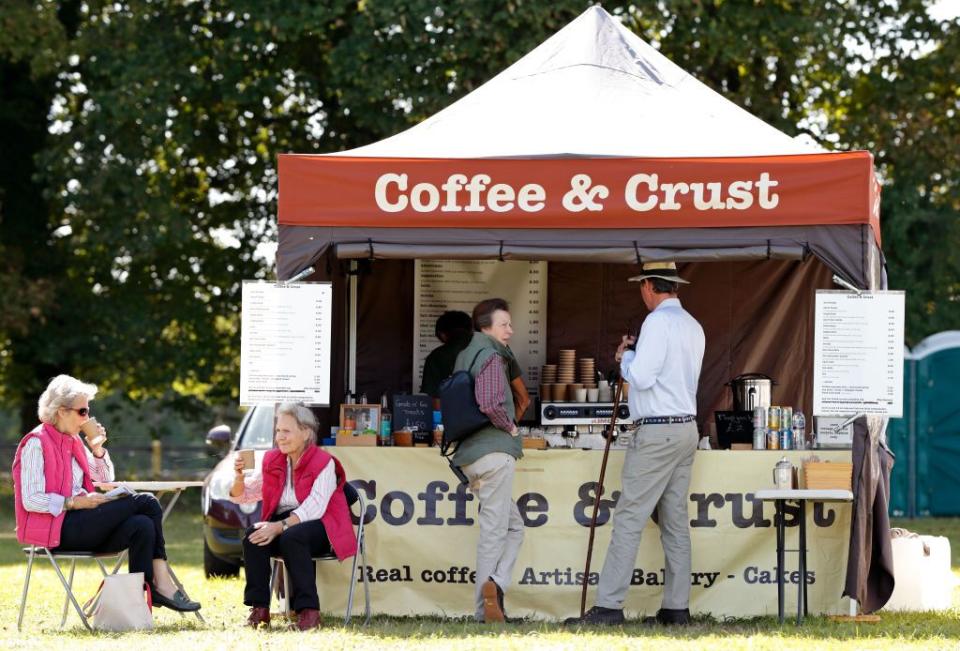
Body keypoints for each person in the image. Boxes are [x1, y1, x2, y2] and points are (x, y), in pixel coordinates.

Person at [567, 261, 704, 627]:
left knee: (629, 517)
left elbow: (641, 377)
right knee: (675, 521)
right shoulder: (692, 325)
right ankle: (677, 608)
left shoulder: (657, 322)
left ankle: (609, 605)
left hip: (657, 429)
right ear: (672, 285)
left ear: (648, 287)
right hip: (686, 426)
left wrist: (626, 357)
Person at [12, 375, 200, 612]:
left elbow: (105, 480)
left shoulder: (74, 442)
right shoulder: (35, 444)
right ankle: (161, 583)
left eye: (87, 411)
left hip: (84, 525)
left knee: (142, 525)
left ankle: (137, 604)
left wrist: (98, 449)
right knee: (147, 502)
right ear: (61, 411)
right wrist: (74, 502)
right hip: (57, 530)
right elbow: (31, 499)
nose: (87, 418)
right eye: (82, 411)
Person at [230, 403, 358, 631]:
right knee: (253, 535)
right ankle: (259, 610)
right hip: (288, 524)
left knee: (292, 537)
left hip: (322, 525)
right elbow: (245, 495)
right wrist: (239, 477)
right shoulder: (273, 460)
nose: (280, 437)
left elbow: (315, 508)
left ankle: (309, 613)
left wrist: (279, 526)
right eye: (278, 431)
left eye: (286, 431)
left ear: (306, 432)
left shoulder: (324, 462)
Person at [451, 298, 525, 623]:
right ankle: (484, 610)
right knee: (495, 532)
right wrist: (510, 427)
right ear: (486, 327)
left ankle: (495, 587)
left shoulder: (466, 353)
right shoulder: (492, 355)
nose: (510, 330)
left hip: (471, 456)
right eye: (504, 324)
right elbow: (492, 403)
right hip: (494, 454)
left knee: (514, 526)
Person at [420, 310, 473, 398]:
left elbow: (433, 396)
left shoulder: (436, 356)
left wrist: (437, 412)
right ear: (471, 329)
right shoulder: (487, 352)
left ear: (442, 334)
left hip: (448, 409)